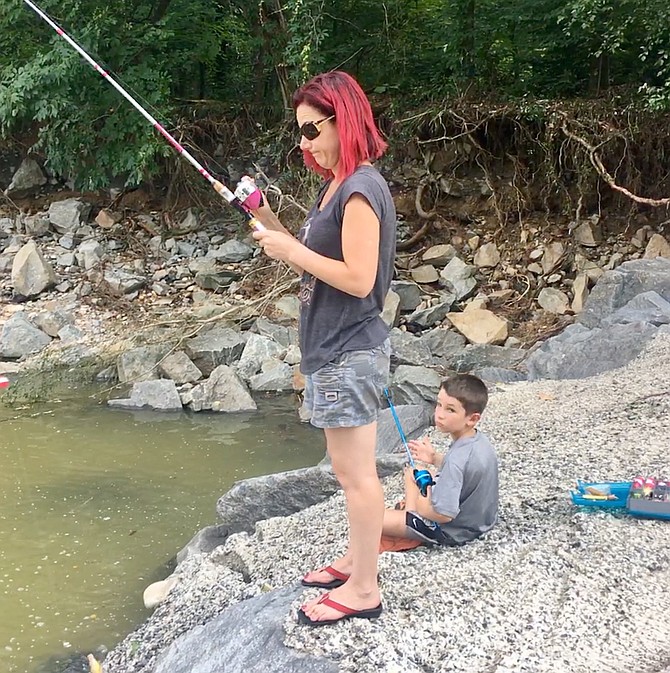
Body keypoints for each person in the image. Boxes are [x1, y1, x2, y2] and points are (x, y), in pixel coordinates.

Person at [250, 71, 396, 626]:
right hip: (335, 347)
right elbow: (312, 249)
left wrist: (289, 250)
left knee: (355, 474)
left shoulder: (361, 187)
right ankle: (358, 560)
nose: (305, 143)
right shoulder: (335, 185)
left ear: (344, 119)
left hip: (348, 347)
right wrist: (263, 216)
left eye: (312, 130)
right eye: (300, 134)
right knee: (348, 470)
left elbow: (359, 280)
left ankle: (364, 589)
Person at [328, 374, 499, 562]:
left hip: (454, 531)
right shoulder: (477, 442)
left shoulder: (456, 460)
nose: (440, 414)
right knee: (413, 473)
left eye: (451, 410)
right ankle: (409, 512)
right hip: (481, 520)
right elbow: (465, 471)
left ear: (472, 419)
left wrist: (420, 497)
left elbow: (443, 515)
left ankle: (410, 516)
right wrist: (434, 458)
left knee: (367, 519)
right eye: (439, 404)